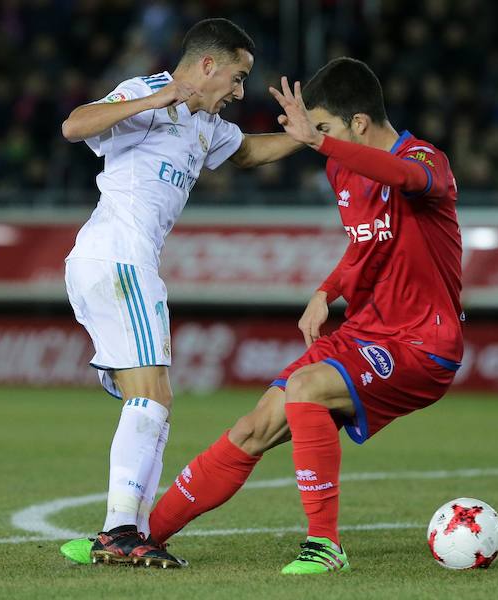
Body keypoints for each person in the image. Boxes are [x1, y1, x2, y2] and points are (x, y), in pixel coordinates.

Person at [145, 57, 464, 574]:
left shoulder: (427, 160)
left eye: (324, 129)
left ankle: (324, 545)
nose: (315, 142)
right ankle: (143, 537)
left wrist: (320, 143)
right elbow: (367, 243)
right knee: (255, 426)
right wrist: (328, 289)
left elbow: (406, 178)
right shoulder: (342, 166)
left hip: (422, 343)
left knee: (307, 388)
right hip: (364, 332)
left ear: (358, 123)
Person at [60, 18, 302, 568]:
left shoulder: (206, 124)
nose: (240, 91)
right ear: (208, 65)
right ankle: (120, 530)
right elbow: (76, 126)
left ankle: (130, 529)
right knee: (152, 400)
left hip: (121, 263)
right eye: (238, 77)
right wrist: (161, 95)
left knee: (155, 402)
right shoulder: (149, 92)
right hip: (117, 256)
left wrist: (310, 138)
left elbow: (247, 153)